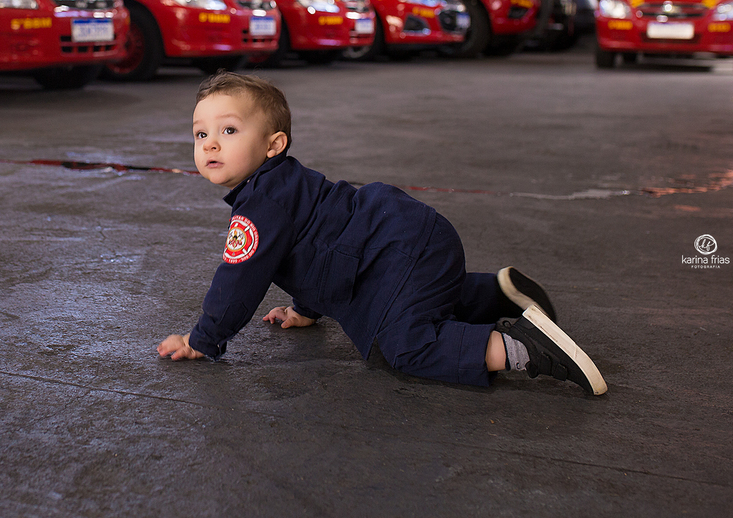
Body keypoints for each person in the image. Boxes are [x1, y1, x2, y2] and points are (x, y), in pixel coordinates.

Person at [157, 72, 607, 396]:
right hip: (406, 238)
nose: (210, 144)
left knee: (402, 346)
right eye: (200, 134)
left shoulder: (260, 207)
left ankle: (523, 349)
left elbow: (239, 280)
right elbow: (315, 248)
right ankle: (496, 293)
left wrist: (204, 339)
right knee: (409, 300)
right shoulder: (286, 185)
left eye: (228, 130)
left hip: (392, 251)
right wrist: (305, 309)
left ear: (274, 144)